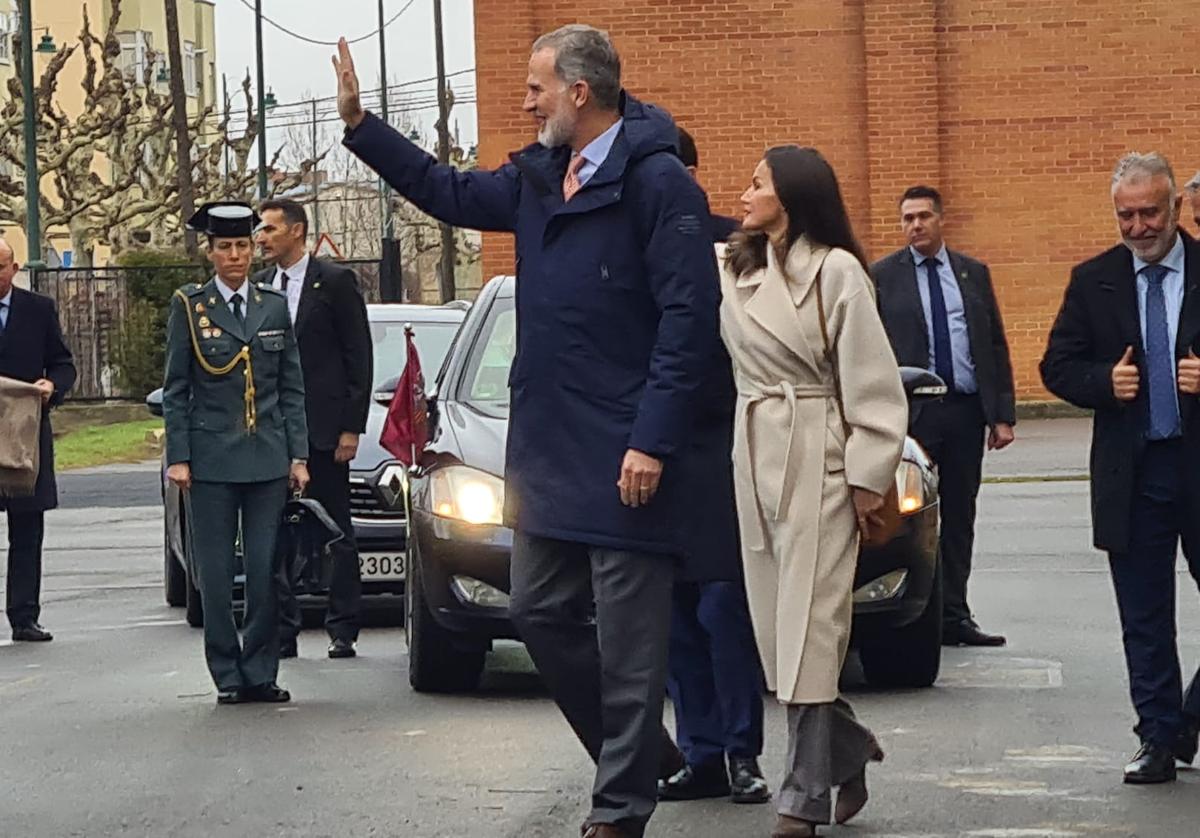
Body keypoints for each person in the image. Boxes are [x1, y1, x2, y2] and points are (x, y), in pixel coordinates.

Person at [334, 24, 719, 838]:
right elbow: (445, 190)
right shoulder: (538, 176)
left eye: (537, 86)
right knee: (540, 612)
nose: (526, 99)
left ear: (580, 92)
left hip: (628, 455)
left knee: (628, 645)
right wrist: (363, 126)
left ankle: (619, 807)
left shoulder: (660, 185)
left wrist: (651, 439)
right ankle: (647, 754)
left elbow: (690, 322)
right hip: (547, 450)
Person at [718, 146, 907, 837]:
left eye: (758, 183)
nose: (744, 192)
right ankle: (847, 746)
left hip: (819, 455)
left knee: (811, 623)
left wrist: (865, 480)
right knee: (778, 631)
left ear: (792, 198)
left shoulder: (838, 273)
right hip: (755, 451)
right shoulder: (736, 266)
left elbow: (874, 385)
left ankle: (801, 795)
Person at [1042, 152, 1200, 784]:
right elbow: (1057, 365)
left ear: (1177, 209)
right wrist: (1104, 382)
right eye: (1125, 215)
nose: (1138, 228)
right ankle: (1157, 738)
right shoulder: (1094, 280)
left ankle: (1186, 717)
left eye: (1149, 213)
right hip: (1133, 476)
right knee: (1145, 617)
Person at [657, 126, 769, 805]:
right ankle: (697, 752)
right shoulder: (629, 246)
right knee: (671, 612)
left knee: (724, 605)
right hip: (651, 449)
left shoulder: (739, 248)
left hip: (726, 450)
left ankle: (741, 751)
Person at [162, 202, 310, 705]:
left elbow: (291, 385)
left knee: (266, 568)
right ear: (210, 253)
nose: (235, 255)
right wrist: (178, 457)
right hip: (211, 461)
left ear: (253, 249)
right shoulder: (190, 306)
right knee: (218, 575)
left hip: (267, 456)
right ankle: (226, 671)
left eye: (243, 245)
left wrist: (299, 455)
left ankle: (261, 670)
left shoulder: (272, 305)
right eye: (225, 247)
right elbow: (176, 388)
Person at [872, 185, 1016, 647]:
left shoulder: (971, 274)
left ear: (941, 220)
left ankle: (955, 613)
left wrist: (1001, 415)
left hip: (963, 412)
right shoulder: (882, 278)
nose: (915, 225)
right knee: (912, 517)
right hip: (912, 414)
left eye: (923, 217)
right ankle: (917, 616)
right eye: (908, 218)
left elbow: (992, 344)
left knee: (961, 513)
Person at [254, 198, 373, 660]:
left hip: (324, 430)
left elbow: (357, 356)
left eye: (269, 229)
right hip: (273, 432)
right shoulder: (262, 286)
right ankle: (284, 629)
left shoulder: (335, 282)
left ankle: (342, 625)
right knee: (275, 532)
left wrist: (351, 428)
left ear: (297, 231)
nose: (260, 238)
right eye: (259, 230)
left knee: (334, 527)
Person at [0, 239, 76, 642]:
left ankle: (24, 616)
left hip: (25, 435)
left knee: (27, 528)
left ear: (13, 268)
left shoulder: (38, 309)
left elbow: (63, 363)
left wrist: (52, 385)